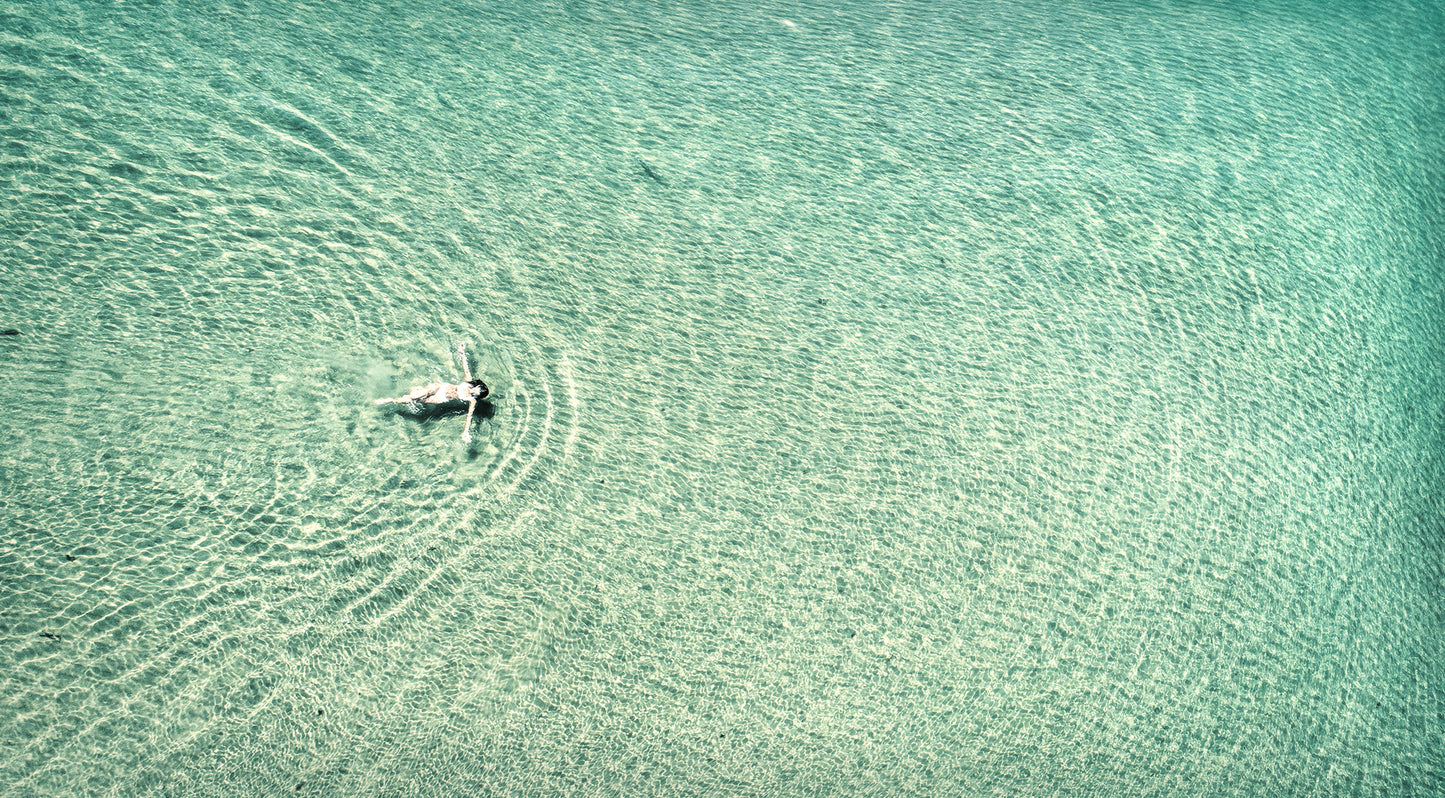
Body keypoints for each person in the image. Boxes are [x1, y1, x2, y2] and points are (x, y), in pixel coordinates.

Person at [375, 342, 489, 443]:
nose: (474, 391)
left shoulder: (472, 400)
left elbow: (469, 416)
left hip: (441, 398)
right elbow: (466, 368)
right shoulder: (469, 381)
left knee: (419, 400)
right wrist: (462, 352)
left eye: (477, 393)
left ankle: (411, 392)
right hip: (440, 388)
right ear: (477, 385)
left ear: (479, 396)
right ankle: (390, 400)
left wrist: (465, 432)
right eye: (476, 388)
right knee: (412, 397)